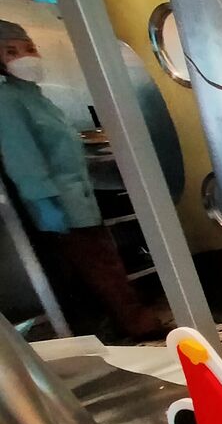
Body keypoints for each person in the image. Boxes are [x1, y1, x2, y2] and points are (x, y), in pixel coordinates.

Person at [0, 19, 162, 339]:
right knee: (101, 269)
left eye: (29, 48)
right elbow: (24, 159)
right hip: (58, 203)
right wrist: (46, 203)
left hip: (78, 196)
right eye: (11, 51)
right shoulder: (7, 101)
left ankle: (126, 324)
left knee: (104, 264)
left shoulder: (35, 96)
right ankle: (136, 326)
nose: (25, 56)